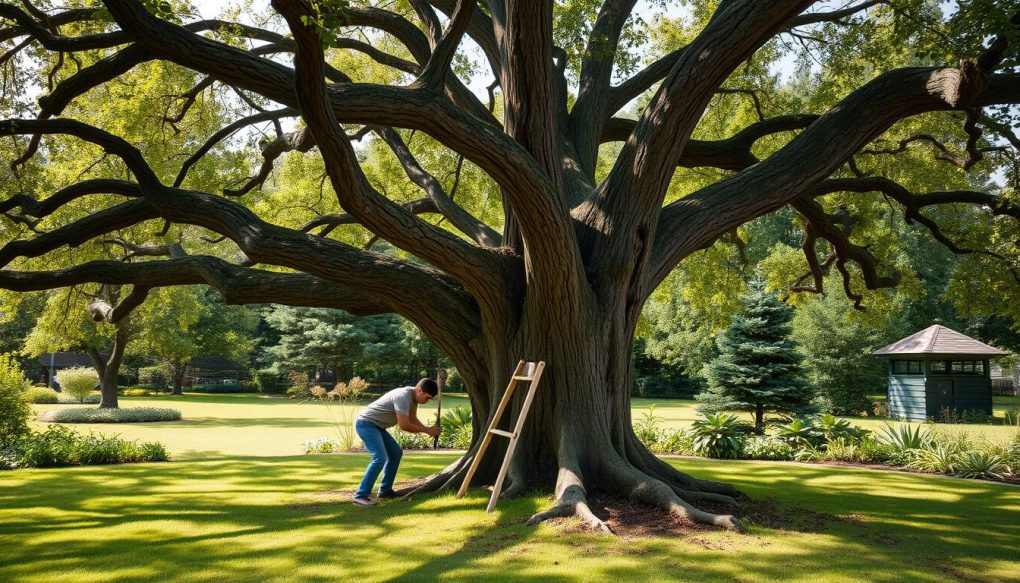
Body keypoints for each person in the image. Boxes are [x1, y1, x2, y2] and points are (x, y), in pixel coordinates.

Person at [352, 378, 441, 506]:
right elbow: (404, 425)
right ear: (419, 390)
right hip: (366, 424)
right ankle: (360, 496)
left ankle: (385, 490)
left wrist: (428, 430)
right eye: (427, 398)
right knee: (379, 458)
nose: (427, 401)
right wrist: (428, 430)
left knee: (396, 453)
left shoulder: (413, 398)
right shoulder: (403, 396)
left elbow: (412, 419)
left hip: (377, 426)